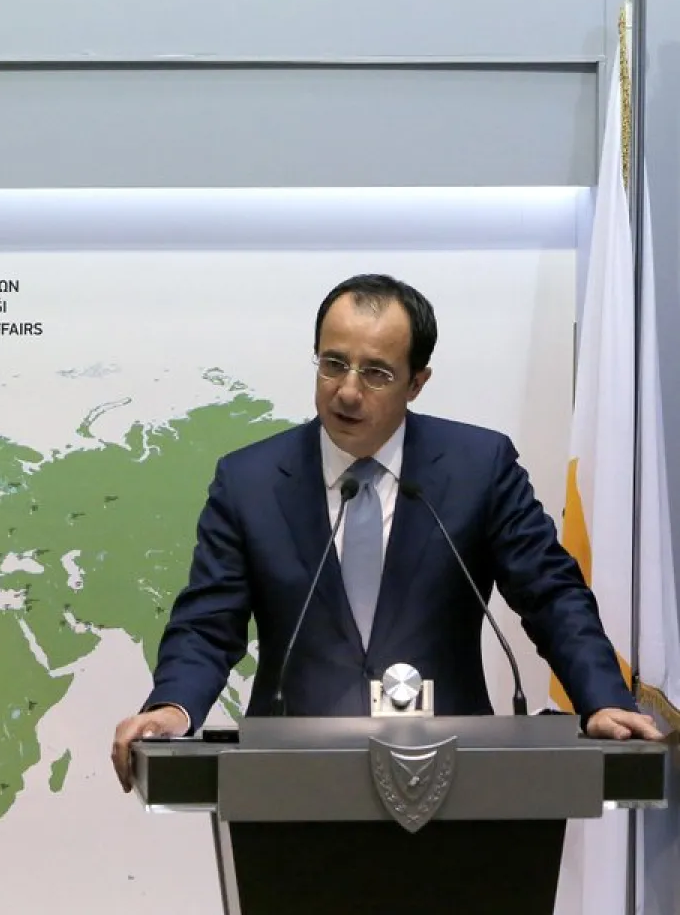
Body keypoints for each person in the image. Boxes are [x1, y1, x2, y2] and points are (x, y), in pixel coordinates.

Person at [111, 273, 662, 792]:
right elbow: (209, 624)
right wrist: (173, 708)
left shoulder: (478, 467)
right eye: (333, 364)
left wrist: (601, 699)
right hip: (288, 779)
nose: (347, 392)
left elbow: (551, 595)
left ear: (417, 382)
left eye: (375, 372)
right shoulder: (249, 481)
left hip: (458, 777)